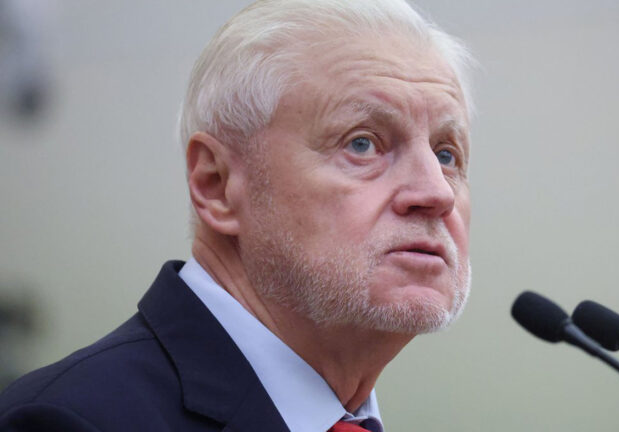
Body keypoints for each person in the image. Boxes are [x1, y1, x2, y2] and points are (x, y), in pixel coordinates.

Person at [0, 1, 474, 430]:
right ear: (217, 185)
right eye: (363, 144)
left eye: (446, 154)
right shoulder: (68, 421)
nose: (436, 193)